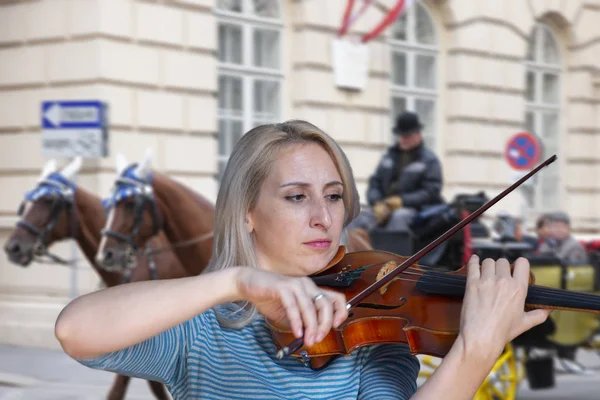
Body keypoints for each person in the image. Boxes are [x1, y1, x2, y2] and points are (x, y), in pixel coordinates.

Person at [54, 120, 550, 400]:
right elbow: (76, 330)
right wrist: (235, 283)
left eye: (334, 197)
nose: (323, 218)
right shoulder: (205, 327)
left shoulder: (367, 329)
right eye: (296, 197)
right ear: (246, 213)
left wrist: (477, 349)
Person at [348, 111, 444, 235]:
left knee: (399, 217)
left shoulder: (429, 160)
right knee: (355, 219)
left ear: (418, 134)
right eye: (401, 135)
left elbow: (431, 192)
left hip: (416, 210)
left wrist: (402, 201)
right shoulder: (388, 157)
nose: (403, 139)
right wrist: (377, 202)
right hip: (384, 207)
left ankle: (393, 254)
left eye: (407, 136)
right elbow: (375, 182)